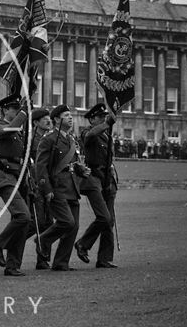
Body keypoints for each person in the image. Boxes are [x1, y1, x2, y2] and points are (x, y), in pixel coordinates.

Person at [35, 105, 90, 271]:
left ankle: (61, 262)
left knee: (74, 226)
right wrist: (47, 189)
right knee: (67, 221)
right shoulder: (49, 139)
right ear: (57, 120)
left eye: (70, 115)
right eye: (66, 115)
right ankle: (43, 240)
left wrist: (81, 169)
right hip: (57, 186)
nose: (71, 118)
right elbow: (41, 167)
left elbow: (72, 164)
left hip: (72, 186)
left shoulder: (71, 139)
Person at [0, 95, 32, 276]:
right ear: (6, 110)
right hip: (5, 177)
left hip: (18, 177)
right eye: (14, 109)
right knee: (23, 216)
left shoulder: (17, 130)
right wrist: (24, 113)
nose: (17, 113)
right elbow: (5, 131)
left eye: (18, 109)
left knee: (21, 222)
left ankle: (13, 265)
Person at [75, 103, 119, 269]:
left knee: (109, 221)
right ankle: (83, 244)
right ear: (92, 119)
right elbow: (91, 135)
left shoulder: (107, 135)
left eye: (104, 117)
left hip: (107, 179)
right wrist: (107, 123)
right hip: (93, 178)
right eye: (100, 117)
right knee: (104, 217)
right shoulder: (88, 132)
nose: (103, 120)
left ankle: (104, 258)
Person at [26, 108, 54, 270]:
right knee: (37, 222)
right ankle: (9, 243)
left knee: (49, 223)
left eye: (49, 118)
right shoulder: (31, 140)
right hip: (35, 184)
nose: (49, 121)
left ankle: (43, 260)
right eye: (45, 119)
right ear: (36, 123)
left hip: (48, 184)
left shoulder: (49, 137)